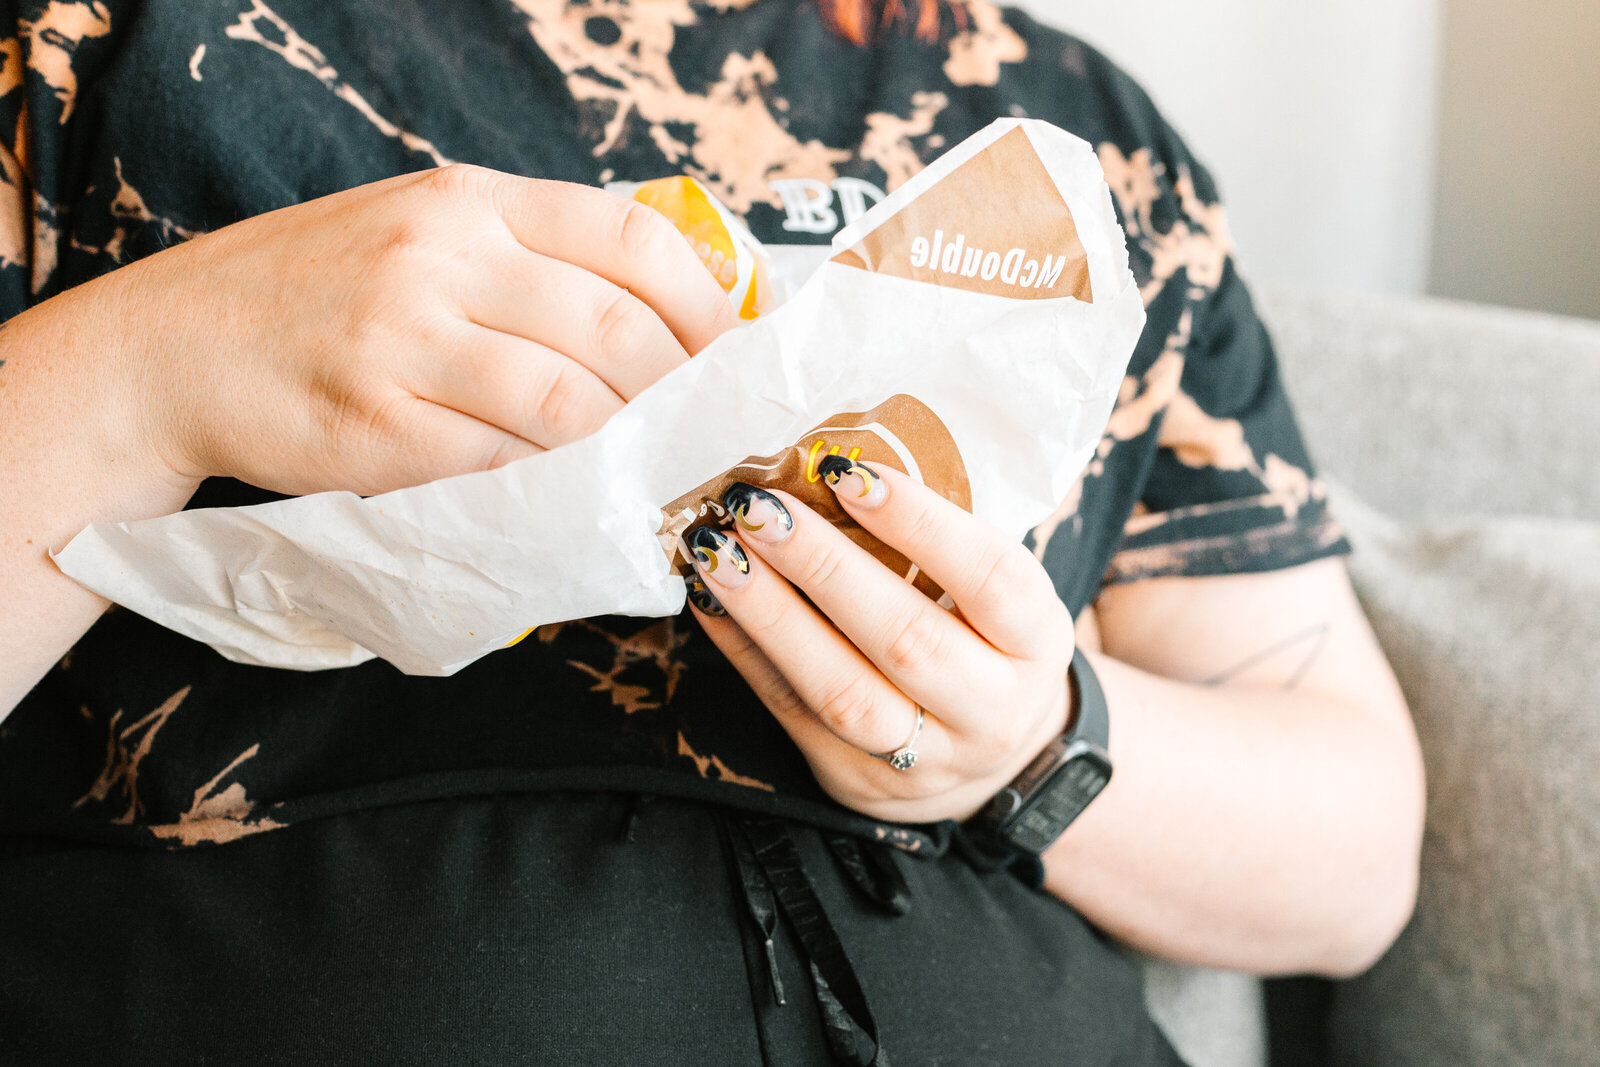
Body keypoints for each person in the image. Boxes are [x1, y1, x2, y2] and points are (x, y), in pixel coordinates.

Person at [0, 0, 1425, 1062]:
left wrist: (1037, 745)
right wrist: (149, 373)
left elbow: (1352, 865)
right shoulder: (96, 46)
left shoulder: (1076, 148)